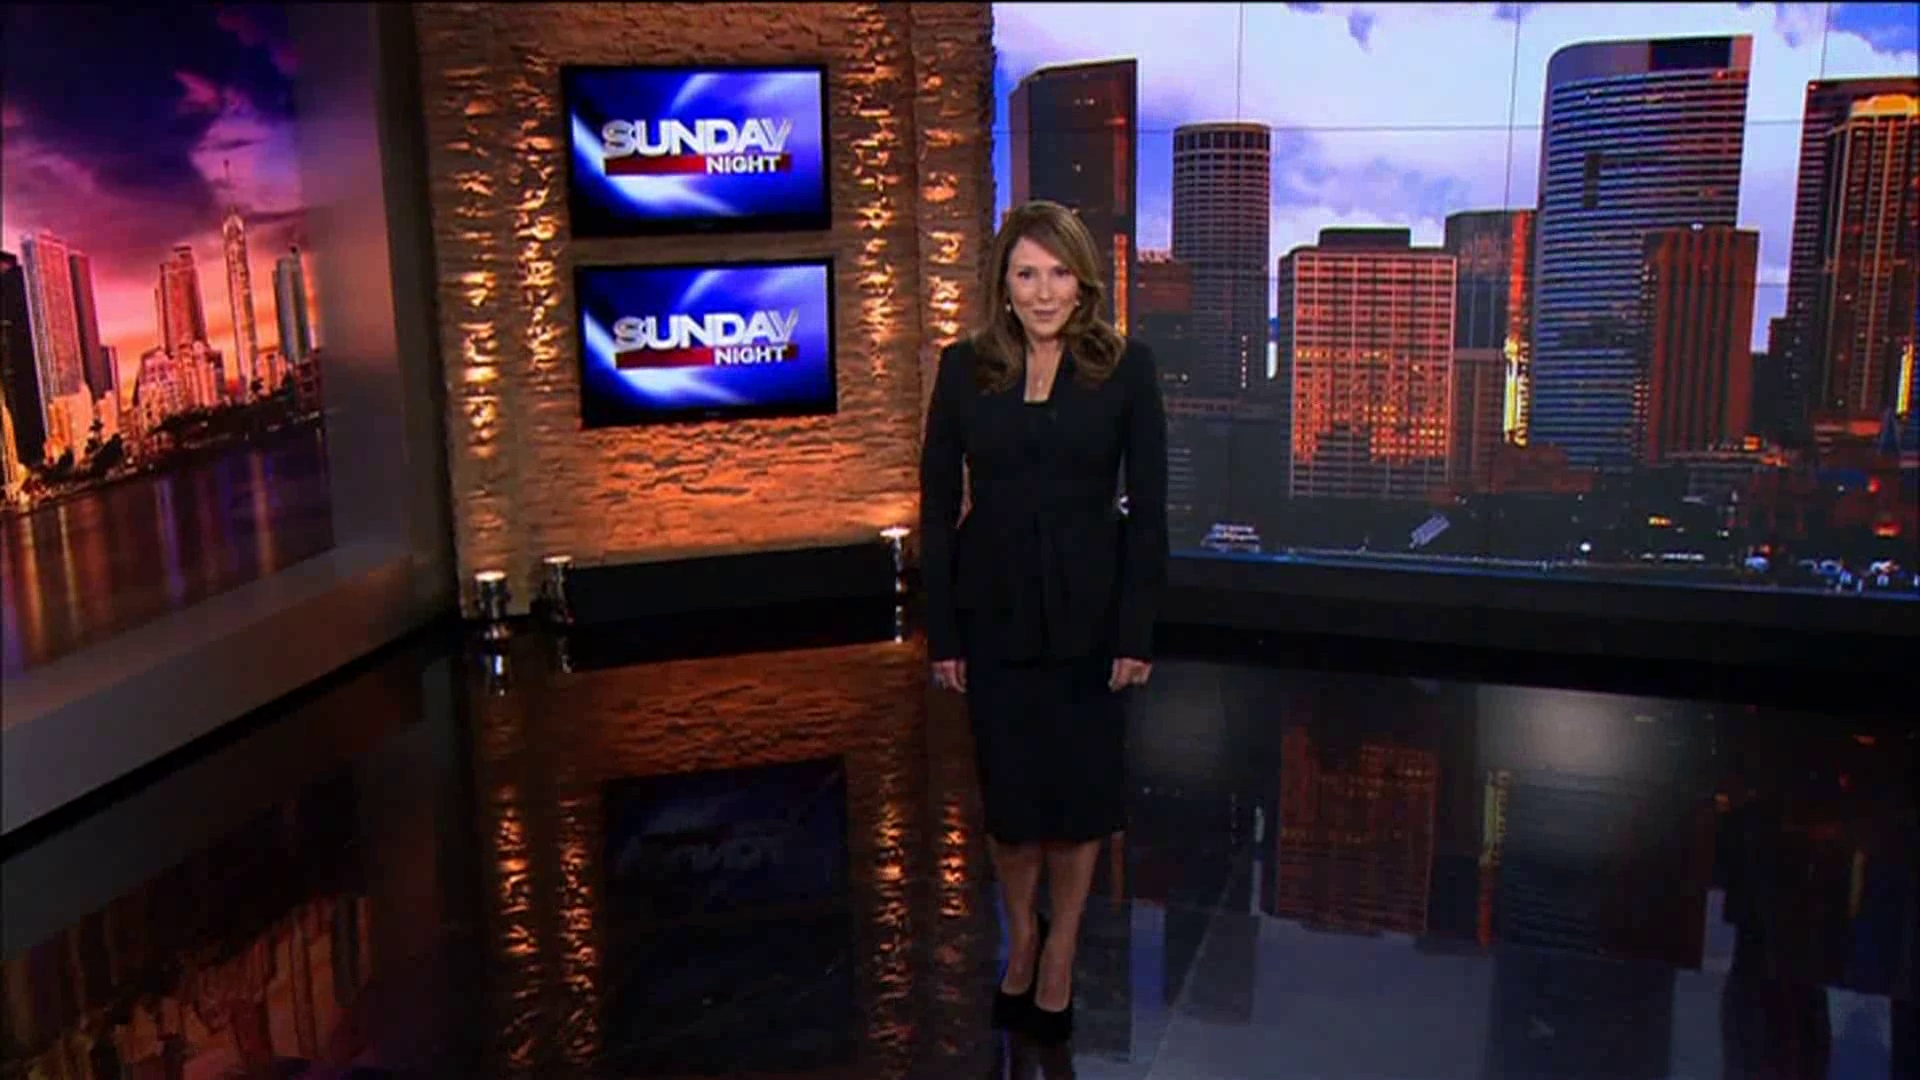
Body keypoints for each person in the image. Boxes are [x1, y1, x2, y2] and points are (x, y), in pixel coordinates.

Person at [918, 199, 1168, 1044]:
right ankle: (1022, 933)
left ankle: (1061, 947)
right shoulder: (965, 368)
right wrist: (943, 632)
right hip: (993, 614)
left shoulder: (1125, 369)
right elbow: (936, 506)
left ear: (1084, 281)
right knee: (1014, 801)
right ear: (1003, 283)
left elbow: (1151, 513)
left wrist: (1137, 632)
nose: (1043, 291)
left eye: (1059, 272)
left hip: (1091, 619)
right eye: (1026, 273)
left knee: (1080, 798)